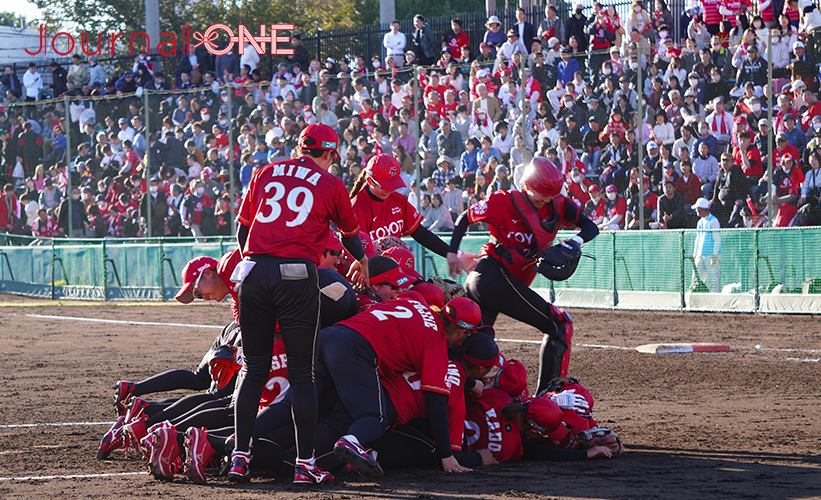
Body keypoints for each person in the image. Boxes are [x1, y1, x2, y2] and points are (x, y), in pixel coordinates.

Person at [229, 123, 369, 485]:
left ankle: (239, 458)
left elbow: (243, 230)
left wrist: (258, 263)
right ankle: (305, 464)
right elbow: (351, 237)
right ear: (330, 154)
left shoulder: (266, 171)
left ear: (299, 147)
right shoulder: (331, 183)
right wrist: (363, 261)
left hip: (254, 271)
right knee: (302, 375)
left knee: (252, 370)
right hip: (295, 274)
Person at [447, 158, 599, 395]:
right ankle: (549, 399)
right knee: (560, 324)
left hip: (495, 282)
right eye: (542, 194)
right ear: (526, 186)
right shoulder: (503, 201)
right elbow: (464, 219)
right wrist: (452, 252)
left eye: (551, 195)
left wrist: (573, 242)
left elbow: (591, 227)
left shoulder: (559, 204)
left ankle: (464, 400)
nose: (546, 200)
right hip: (491, 276)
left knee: (477, 347)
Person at [349, 154, 456, 261]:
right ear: (370, 181)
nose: (390, 190)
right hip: (370, 271)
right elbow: (357, 256)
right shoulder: (356, 208)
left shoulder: (397, 199)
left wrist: (454, 254)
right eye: (386, 185)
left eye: (393, 184)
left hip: (395, 268)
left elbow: (421, 233)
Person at [691, 198, 721, 292]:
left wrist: (714, 255)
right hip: (701, 254)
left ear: (702, 209)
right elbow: (697, 238)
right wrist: (695, 253)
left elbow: (717, 239)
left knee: (712, 279)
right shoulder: (699, 222)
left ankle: (714, 298)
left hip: (710, 255)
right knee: (696, 278)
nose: (696, 211)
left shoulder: (713, 221)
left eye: (697, 209)